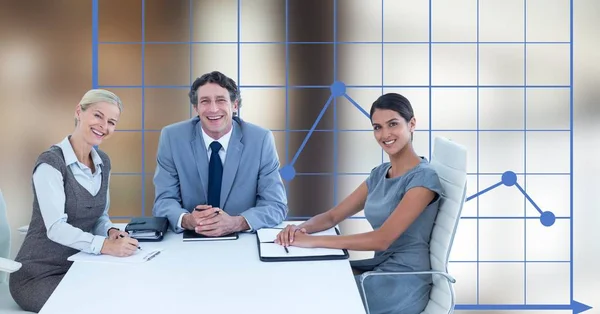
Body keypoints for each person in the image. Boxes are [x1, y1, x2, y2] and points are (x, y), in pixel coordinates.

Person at [275, 93, 444, 314]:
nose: (385, 134)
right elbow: (333, 216)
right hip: (378, 268)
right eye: (377, 127)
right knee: (307, 276)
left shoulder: (423, 179)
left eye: (393, 124)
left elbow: (381, 239)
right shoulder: (380, 173)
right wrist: (300, 229)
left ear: (411, 124)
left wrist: (312, 242)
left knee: (313, 297)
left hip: (403, 280)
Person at [9, 89, 139, 313]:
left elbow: (99, 216)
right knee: (98, 305)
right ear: (79, 111)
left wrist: (109, 232)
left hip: (80, 266)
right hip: (38, 275)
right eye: (98, 115)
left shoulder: (103, 163)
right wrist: (104, 246)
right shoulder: (51, 164)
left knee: (127, 291)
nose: (103, 126)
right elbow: (56, 228)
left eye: (111, 122)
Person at [152, 71, 287, 236]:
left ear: (235, 105)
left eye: (221, 100)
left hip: (243, 241)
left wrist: (237, 222)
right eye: (205, 101)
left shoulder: (260, 140)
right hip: (187, 240)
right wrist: (187, 220)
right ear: (196, 107)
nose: (213, 109)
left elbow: (275, 205)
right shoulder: (172, 138)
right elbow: (164, 201)